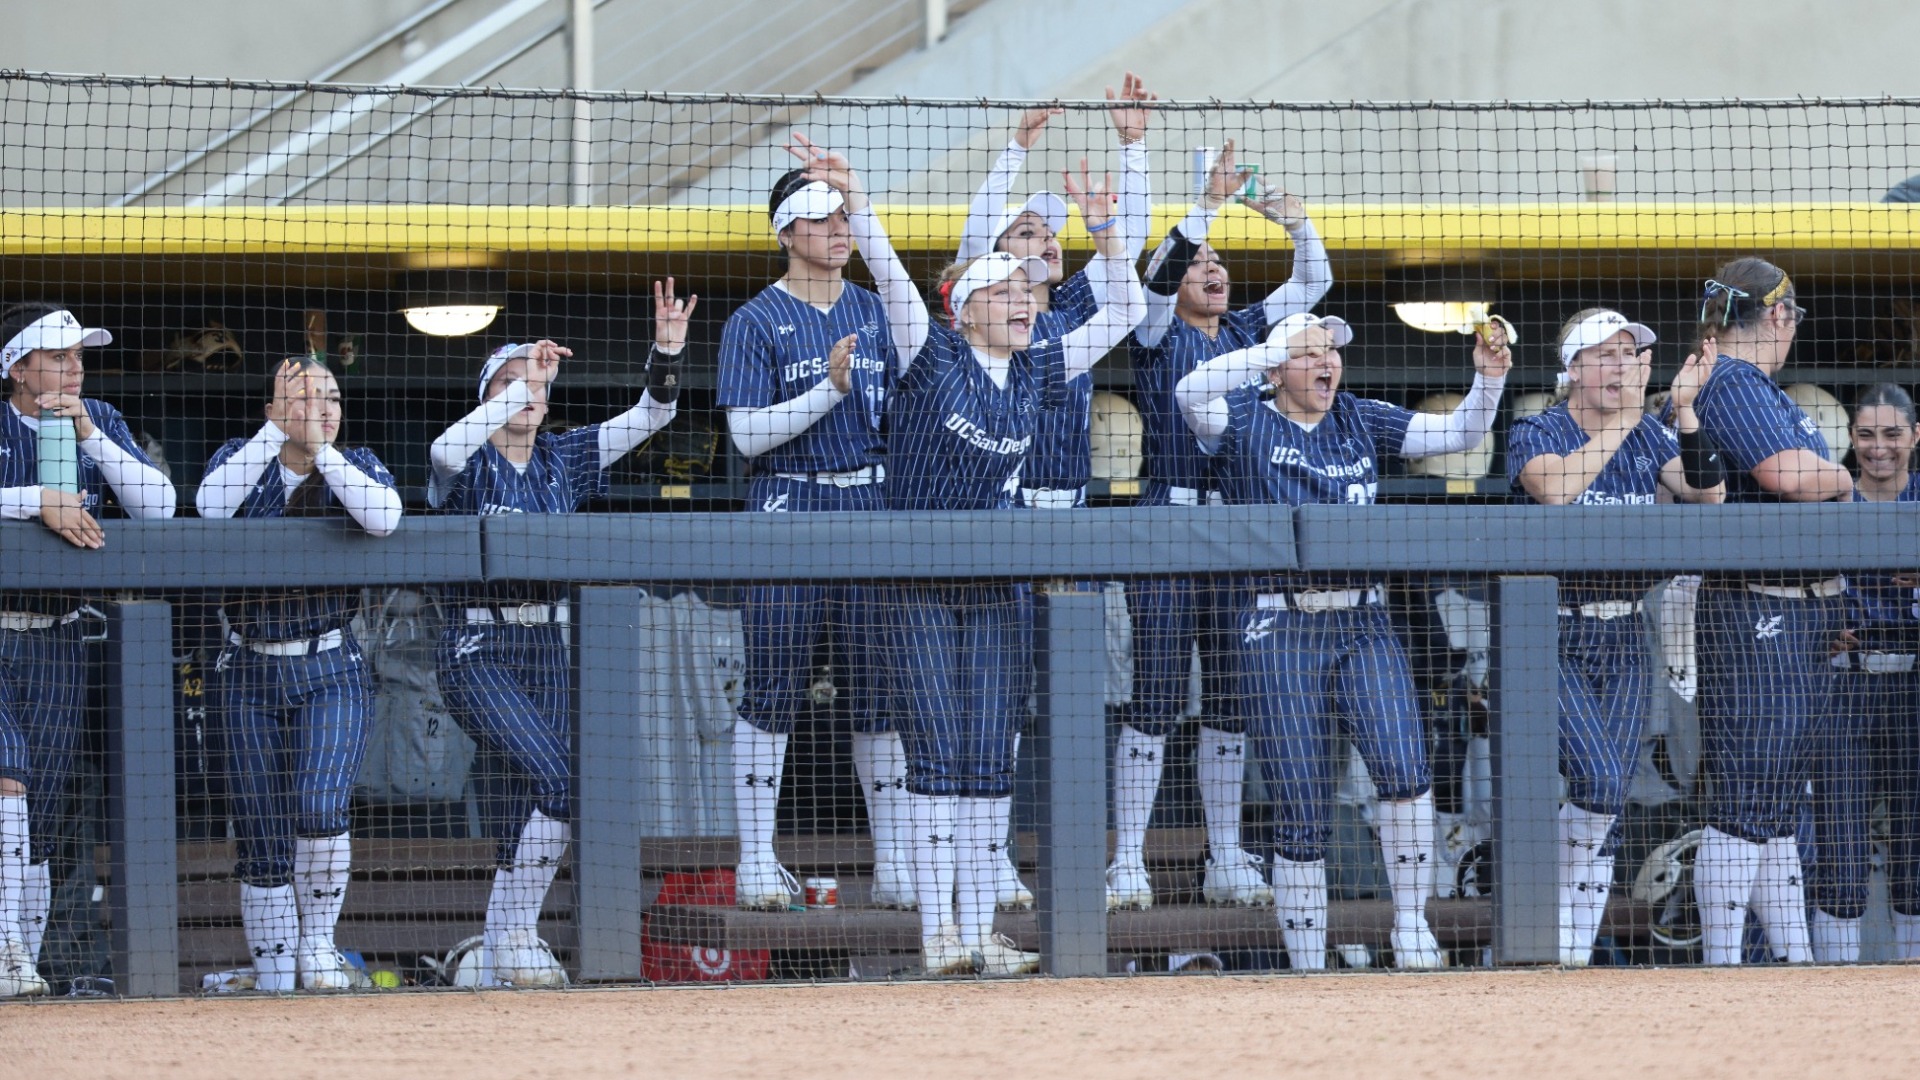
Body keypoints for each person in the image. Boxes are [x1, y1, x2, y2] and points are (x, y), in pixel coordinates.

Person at [1173, 311, 1509, 970]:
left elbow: (1461, 430)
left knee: (1404, 773)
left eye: (1333, 352)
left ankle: (1412, 926)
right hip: (1279, 623)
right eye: (1311, 353)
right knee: (1299, 803)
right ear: (1274, 368)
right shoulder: (1243, 417)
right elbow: (1188, 392)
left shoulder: (1358, 416)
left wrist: (1489, 381)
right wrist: (1272, 349)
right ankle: (1307, 968)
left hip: (1363, 620)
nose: (1329, 363)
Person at [877, 147, 1140, 974]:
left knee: (990, 757)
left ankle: (980, 929)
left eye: (1025, 292)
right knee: (937, 754)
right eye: (1003, 292)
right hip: (917, 582)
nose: (1023, 301)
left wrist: (1108, 237)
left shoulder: (1033, 371)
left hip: (995, 581)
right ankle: (938, 937)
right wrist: (855, 206)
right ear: (962, 309)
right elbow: (889, 279)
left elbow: (1124, 308)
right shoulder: (932, 354)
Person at [428, 283, 689, 986]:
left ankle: (495, 951)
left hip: (546, 639)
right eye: (511, 384)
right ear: (490, 396)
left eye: (538, 383)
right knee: (559, 778)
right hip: (477, 643)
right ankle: (515, 935)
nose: (530, 393)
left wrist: (666, 349)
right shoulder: (468, 457)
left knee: (529, 799)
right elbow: (443, 448)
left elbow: (653, 415)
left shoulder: (565, 456)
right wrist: (515, 386)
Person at [953, 76, 1155, 910]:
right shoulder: (975, 316)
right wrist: (1015, 151)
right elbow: (974, 241)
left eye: (1053, 235)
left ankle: (1086, 859)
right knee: (995, 699)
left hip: (1068, 519)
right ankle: (990, 856)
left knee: (1072, 696)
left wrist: (1133, 150)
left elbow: (1129, 265)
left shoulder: (1066, 311)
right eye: (1027, 234)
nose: (1046, 244)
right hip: (1001, 520)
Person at [1115, 140, 1332, 910]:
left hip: (1239, 529)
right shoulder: (1152, 329)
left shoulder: (1249, 329)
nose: (1214, 269)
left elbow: (1315, 283)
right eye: (1201, 261)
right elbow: (1156, 274)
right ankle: (1126, 862)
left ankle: (1226, 855)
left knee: (1234, 697)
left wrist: (1298, 225)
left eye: (1221, 260)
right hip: (1167, 521)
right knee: (1157, 694)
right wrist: (1205, 202)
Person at [717, 139, 912, 911]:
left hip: (869, 501)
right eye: (820, 214)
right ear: (786, 231)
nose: (838, 226)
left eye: (843, 212)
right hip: (788, 505)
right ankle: (756, 861)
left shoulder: (873, 309)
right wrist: (825, 393)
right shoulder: (755, 319)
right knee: (772, 685)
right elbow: (744, 436)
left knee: (881, 691)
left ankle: (895, 861)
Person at [1506, 308, 1725, 966]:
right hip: (1547, 630)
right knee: (1597, 779)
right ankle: (1552, 923)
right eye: (1604, 355)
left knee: (1613, 792)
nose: (1621, 366)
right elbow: (1555, 490)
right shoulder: (1536, 427)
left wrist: (1683, 413)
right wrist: (1632, 417)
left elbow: (1707, 496)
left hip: (1627, 627)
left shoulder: (1651, 437)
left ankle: (1571, 949)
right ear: (1572, 368)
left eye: (1630, 355)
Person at [196, 356, 400, 992]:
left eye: (332, 396)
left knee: (319, 804)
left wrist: (320, 447)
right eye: (304, 396)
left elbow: (384, 517)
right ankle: (275, 974)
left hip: (330, 661)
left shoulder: (357, 462)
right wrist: (277, 434)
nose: (323, 406)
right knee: (258, 829)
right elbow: (208, 507)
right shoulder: (241, 455)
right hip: (247, 667)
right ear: (272, 410)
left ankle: (317, 944)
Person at [1680, 257, 1854, 965]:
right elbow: (1783, 476)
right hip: (1754, 606)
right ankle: (1722, 964)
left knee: (1779, 804)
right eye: (1792, 318)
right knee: (1748, 798)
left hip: (1802, 611)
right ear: (1778, 315)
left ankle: (1793, 962)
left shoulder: (1757, 385)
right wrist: (1841, 475)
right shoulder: (1731, 380)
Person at [0, 304, 175, 998]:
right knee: (6, 777)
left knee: (36, 811)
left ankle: (23, 963)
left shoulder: (99, 416)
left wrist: (89, 434)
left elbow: (158, 506)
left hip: (60, 637)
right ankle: (7, 949)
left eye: (78, 356)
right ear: (16, 368)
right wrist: (36, 498)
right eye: (56, 356)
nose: (73, 368)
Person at [1811, 385, 1920, 961]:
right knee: (1842, 854)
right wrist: (1819, 624)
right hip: (1842, 687)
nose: (1879, 448)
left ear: (1915, 436)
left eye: (1892, 434)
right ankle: (1833, 992)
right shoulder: (1831, 498)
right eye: (1867, 435)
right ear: (1850, 439)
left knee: (1915, 850)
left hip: (1913, 689)